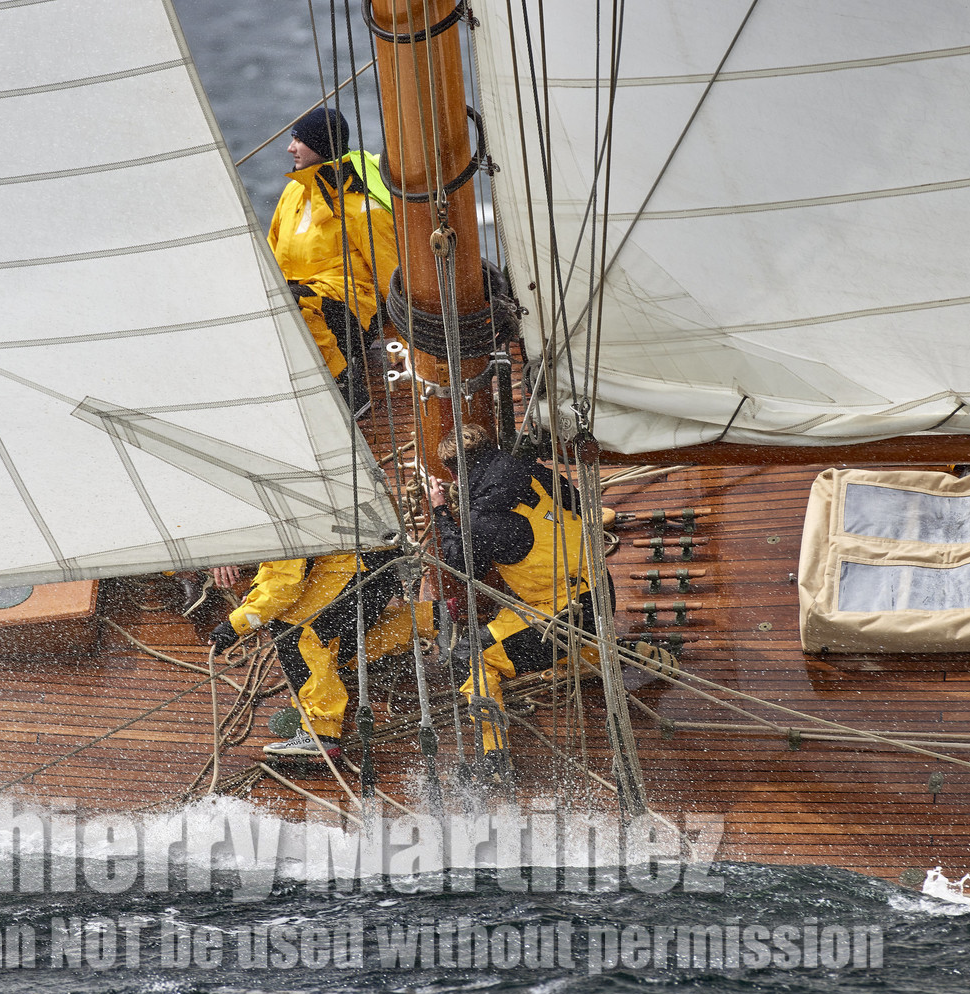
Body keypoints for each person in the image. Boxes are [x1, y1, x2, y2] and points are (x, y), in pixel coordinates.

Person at [427, 426, 677, 778]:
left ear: (454, 473)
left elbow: (462, 567)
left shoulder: (481, 517)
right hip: (600, 591)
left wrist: (441, 512)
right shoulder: (534, 472)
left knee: (472, 657)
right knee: (518, 634)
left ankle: (494, 757)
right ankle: (617, 651)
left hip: (563, 615)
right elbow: (578, 504)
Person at [209, 552, 430, 758]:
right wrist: (255, 595)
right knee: (338, 645)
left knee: (296, 631)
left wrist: (235, 625)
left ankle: (321, 733)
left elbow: (285, 583)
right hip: (376, 565)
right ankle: (435, 617)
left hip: (356, 568)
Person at [268, 106, 399, 420]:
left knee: (293, 305)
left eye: (299, 140)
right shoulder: (293, 192)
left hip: (354, 310)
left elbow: (392, 277)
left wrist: (411, 343)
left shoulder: (363, 208)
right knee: (273, 301)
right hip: (303, 295)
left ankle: (346, 386)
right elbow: (271, 252)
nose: (290, 147)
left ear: (321, 146)